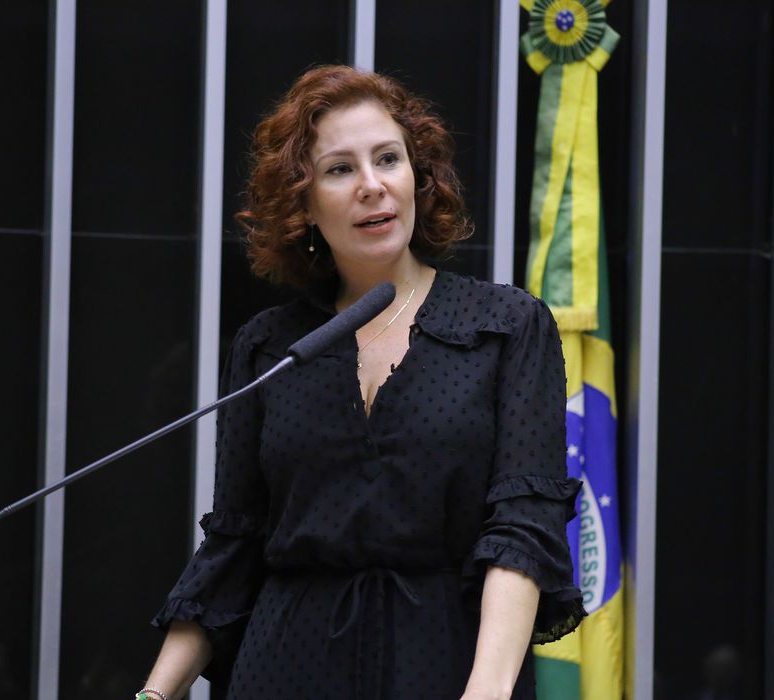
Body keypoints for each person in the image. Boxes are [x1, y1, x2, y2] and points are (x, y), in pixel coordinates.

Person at [136, 65, 585, 700]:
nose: (372, 185)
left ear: (418, 177)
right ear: (304, 203)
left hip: (447, 659)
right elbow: (235, 544)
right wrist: (154, 695)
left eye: (388, 159)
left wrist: (486, 688)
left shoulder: (506, 325)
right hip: (285, 667)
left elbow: (524, 525)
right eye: (340, 169)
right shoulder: (269, 346)